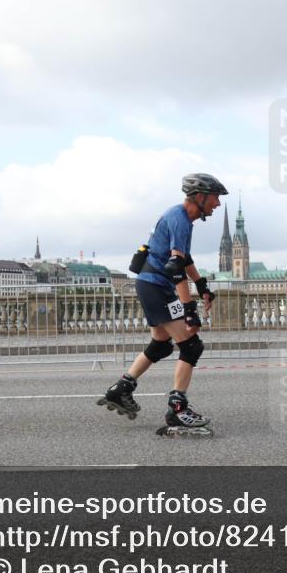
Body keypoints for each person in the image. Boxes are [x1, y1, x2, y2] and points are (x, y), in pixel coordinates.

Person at [96, 173, 227, 436]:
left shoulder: (182, 218)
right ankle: (177, 410)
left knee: (160, 345)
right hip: (157, 287)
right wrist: (189, 310)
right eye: (215, 198)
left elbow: (183, 258)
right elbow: (176, 268)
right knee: (191, 345)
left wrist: (201, 285)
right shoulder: (180, 219)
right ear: (199, 196)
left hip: (152, 285)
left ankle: (121, 388)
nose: (217, 204)